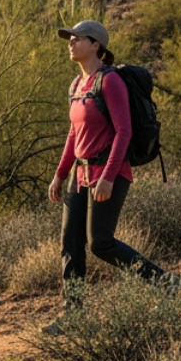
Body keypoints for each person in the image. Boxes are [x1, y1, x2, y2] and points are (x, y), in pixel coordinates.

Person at [49, 20, 168, 309]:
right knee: (71, 243)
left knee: (100, 242)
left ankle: (165, 282)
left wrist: (109, 177)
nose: (71, 43)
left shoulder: (110, 81)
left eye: (77, 38)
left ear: (96, 45)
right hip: (81, 174)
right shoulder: (77, 85)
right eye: (70, 39)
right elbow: (73, 134)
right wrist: (59, 175)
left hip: (108, 172)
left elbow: (124, 131)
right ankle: (73, 312)